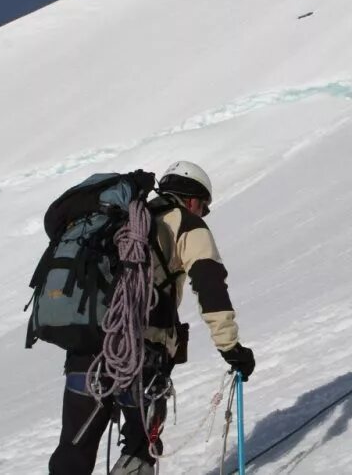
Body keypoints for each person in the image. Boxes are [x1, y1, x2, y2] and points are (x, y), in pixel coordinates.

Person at [49, 161, 256, 475]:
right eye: (203, 206)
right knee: (139, 450)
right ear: (192, 199)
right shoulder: (186, 224)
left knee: (73, 452)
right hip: (141, 359)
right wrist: (231, 348)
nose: (203, 214)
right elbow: (210, 285)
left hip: (87, 353)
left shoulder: (124, 221)